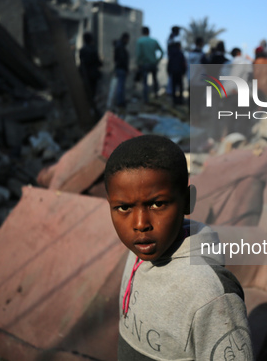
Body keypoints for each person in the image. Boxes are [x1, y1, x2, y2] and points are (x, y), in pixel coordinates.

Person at [104, 135, 253, 360]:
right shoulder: (138, 252)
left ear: (187, 202)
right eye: (124, 207)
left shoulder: (209, 293)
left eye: (157, 204)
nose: (140, 224)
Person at [136, 26, 164, 103]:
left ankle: (146, 99)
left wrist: (138, 63)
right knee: (155, 80)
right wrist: (157, 60)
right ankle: (156, 96)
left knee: (145, 82)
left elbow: (138, 55)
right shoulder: (154, 41)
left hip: (145, 64)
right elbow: (162, 52)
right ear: (149, 32)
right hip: (153, 64)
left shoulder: (140, 41)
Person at [79, 32, 102, 101]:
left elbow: (81, 61)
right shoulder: (93, 49)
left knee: (87, 90)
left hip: (86, 73)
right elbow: (97, 61)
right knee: (93, 90)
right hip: (93, 73)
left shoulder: (82, 50)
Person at [167, 42, 187, 106]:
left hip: (173, 72)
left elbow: (169, 64)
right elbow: (183, 64)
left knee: (174, 87)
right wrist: (184, 72)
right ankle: (180, 100)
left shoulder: (172, 54)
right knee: (180, 86)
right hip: (179, 72)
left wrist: (169, 71)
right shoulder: (181, 54)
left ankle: (174, 101)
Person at [114, 32, 130, 109]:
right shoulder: (120, 47)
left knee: (121, 86)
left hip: (120, 68)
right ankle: (120, 102)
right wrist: (125, 68)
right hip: (121, 68)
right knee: (120, 86)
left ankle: (121, 101)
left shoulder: (119, 46)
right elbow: (122, 59)